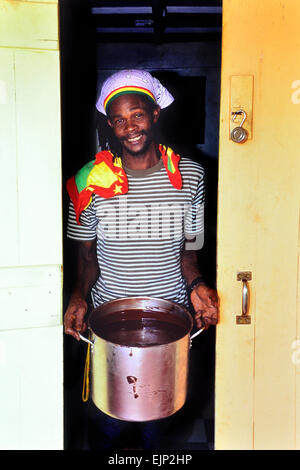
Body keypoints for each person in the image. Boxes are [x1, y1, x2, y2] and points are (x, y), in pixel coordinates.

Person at [64, 69, 219, 450]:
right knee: (107, 426)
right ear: (110, 126)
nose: (129, 127)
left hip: (170, 321)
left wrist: (198, 287)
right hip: (108, 323)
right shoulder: (88, 182)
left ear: (154, 114)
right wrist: (78, 296)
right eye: (118, 119)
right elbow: (86, 258)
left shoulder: (191, 175)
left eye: (137, 115)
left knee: (160, 429)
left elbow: (190, 251)